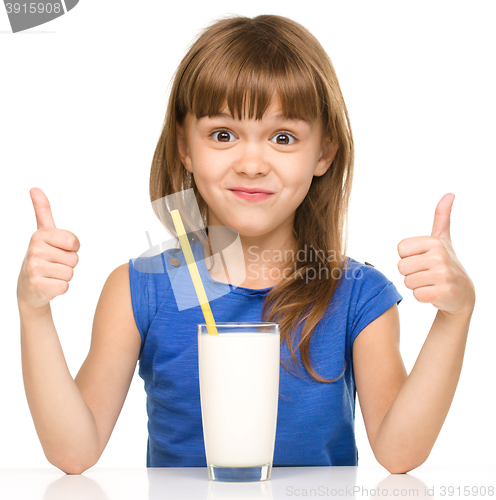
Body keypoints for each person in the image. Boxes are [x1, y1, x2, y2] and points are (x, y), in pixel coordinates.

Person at [17, 14, 476, 476]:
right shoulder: (142, 290)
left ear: (324, 152)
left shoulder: (358, 294)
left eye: (283, 137)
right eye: (223, 135)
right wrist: (34, 311)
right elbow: (74, 452)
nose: (252, 163)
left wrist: (454, 317)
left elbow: (400, 453)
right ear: (185, 147)